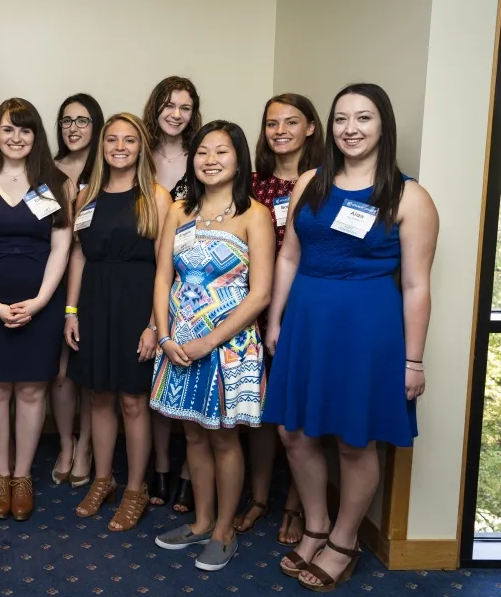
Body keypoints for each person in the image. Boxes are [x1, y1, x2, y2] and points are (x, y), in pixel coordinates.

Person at [264, 84, 438, 591]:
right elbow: (289, 256)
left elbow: (416, 284)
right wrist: (276, 321)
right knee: (292, 433)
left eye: (363, 118)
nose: (351, 129)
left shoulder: (409, 196)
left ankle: (345, 539)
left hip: (368, 332)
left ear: (383, 125)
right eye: (341, 119)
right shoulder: (311, 182)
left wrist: (413, 360)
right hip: (306, 324)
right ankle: (316, 524)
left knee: (354, 442)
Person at [149, 121, 274, 572]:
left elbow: (260, 293)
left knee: (224, 439)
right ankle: (200, 522)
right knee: (194, 435)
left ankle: (224, 530)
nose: (211, 159)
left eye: (222, 151)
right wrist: (165, 336)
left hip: (228, 346)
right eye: (202, 151)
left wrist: (209, 341)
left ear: (239, 159)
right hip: (179, 341)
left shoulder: (254, 214)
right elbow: (164, 276)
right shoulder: (179, 210)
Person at [0, 97, 73, 521]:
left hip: (41, 302)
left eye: (25, 130)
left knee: (30, 389)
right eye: (8, 129)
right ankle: (0, 475)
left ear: (35, 135)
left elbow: (62, 247)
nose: (16, 137)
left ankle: (22, 476)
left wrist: (41, 301)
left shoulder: (55, 182)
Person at [65, 113, 172, 532]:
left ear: (141, 147)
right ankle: (103, 479)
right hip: (94, 302)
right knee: (98, 396)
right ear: (102, 146)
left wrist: (153, 325)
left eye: (129, 140)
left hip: (136, 303)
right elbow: (78, 254)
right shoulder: (87, 195)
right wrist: (71, 310)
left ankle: (135, 489)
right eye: (112, 139)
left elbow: (166, 266)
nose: (120, 146)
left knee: (132, 400)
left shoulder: (157, 198)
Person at [233, 94, 324, 545]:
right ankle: (259, 497)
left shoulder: (328, 183)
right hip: (256, 304)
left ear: (311, 127)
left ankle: (295, 505)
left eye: (291, 122)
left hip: (308, 305)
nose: (281, 130)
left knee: (299, 409)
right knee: (263, 409)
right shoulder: (252, 185)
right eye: (272, 123)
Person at [140, 76, 202, 510]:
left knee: (187, 377)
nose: (176, 114)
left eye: (184, 106)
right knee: (155, 381)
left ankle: (187, 474)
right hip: (142, 269)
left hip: (190, 279)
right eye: (169, 105)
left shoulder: (206, 155)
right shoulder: (137, 152)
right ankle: (160, 467)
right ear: (156, 108)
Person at [50, 93, 105, 488]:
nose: (73, 128)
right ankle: (65, 444)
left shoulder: (109, 169)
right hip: (51, 279)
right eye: (67, 120)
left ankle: (86, 445)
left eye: (83, 120)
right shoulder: (46, 170)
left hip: (92, 281)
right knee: (60, 371)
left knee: (86, 370)